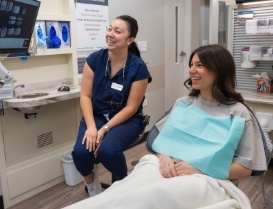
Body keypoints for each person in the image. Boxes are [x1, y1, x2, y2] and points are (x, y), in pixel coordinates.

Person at [65, 44, 267, 209]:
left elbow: (246, 168)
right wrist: (164, 158)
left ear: (219, 70)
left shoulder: (239, 113)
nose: (192, 70)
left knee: (153, 196)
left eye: (200, 65)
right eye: (191, 64)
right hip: (164, 167)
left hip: (208, 178)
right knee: (126, 189)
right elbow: (159, 143)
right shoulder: (184, 103)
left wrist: (201, 169)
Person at [72, 15, 152, 197]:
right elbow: (85, 96)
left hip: (128, 120)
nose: (110, 34)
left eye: (118, 31)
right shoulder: (95, 60)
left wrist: (105, 129)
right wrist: (92, 128)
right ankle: (92, 186)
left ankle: (124, 186)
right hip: (97, 116)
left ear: (130, 40)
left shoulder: (138, 68)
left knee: (108, 150)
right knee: (80, 153)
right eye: (109, 29)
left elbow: (131, 107)